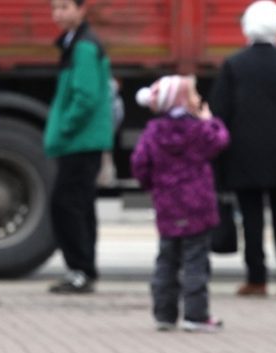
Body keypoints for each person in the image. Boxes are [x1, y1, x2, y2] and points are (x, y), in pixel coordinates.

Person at [209, 0, 276, 298]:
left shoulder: (234, 65)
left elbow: (219, 112)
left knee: (251, 216)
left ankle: (257, 278)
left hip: (244, 153)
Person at [130, 75, 229, 333]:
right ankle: (195, 315)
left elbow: (140, 163)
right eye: (195, 96)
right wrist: (210, 120)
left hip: (166, 205)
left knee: (166, 259)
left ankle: (164, 314)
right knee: (196, 261)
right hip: (198, 206)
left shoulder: (153, 131)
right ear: (184, 102)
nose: (199, 100)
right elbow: (221, 141)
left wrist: (150, 185)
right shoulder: (199, 130)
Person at [44, 0, 114, 294]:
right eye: (54, 7)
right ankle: (83, 269)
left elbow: (84, 96)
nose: (58, 13)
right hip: (84, 140)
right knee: (80, 205)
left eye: (64, 7)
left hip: (80, 141)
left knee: (66, 204)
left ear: (81, 10)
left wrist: (64, 129)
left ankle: (80, 270)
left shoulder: (83, 47)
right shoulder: (77, 43)